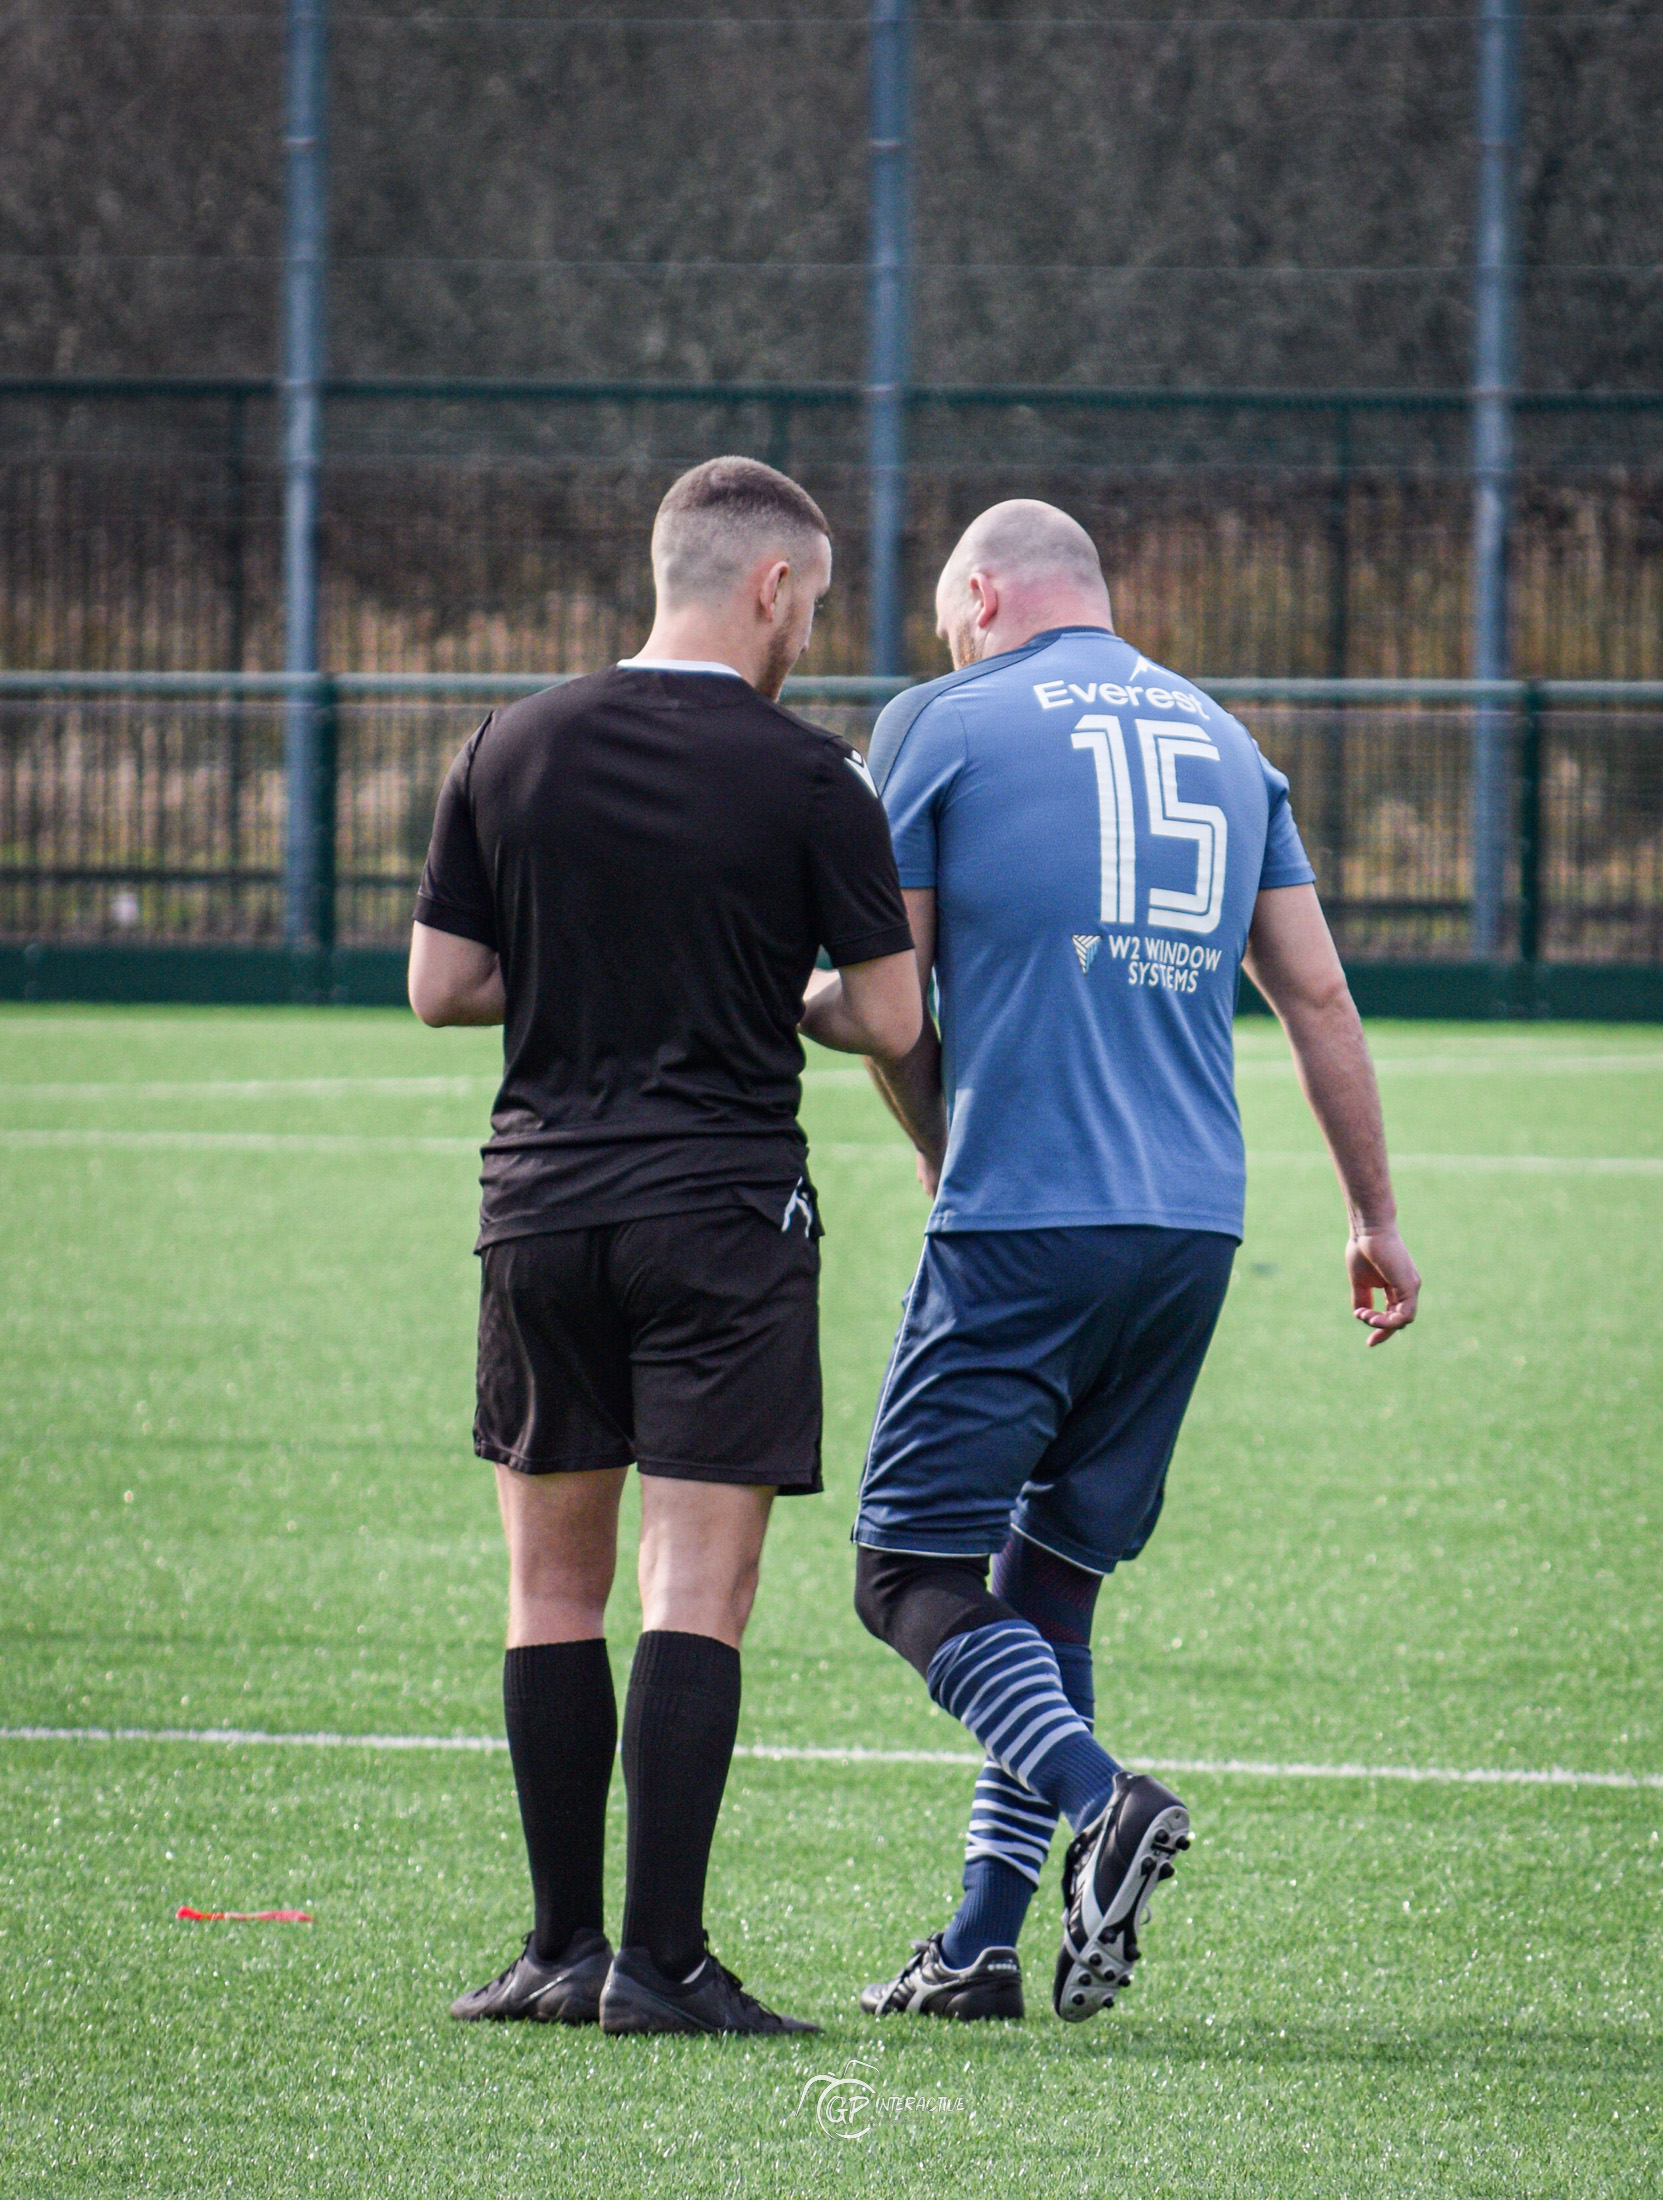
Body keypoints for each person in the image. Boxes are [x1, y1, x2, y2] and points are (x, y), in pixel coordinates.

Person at [809, 499, 1420, 2025]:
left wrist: (786, 1001)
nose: (945, 637)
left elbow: (887, 1002)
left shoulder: (938, 720)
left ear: (982, 592)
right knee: (1050, 1587)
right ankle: (978, 1949)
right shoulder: (1226, 738)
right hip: (1191, 1228)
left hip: (1026, 1214)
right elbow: (1322, 1002)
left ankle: (1105, 1797)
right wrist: (1372, 1218)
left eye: (949, 611)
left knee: (910, 1574)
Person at [409, 456, 921, 2037]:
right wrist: (765, 987)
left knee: (548, 1591)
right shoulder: (811, 774)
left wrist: (593, 980)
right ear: (769, 586)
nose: (810, 639)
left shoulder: (511, 745)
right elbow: (889, 1017)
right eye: (814, 608)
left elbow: (443, 985)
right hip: (722, 1213)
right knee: (695, 1585)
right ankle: (666, 1965)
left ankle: (559, 1951)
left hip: (541, 1213)